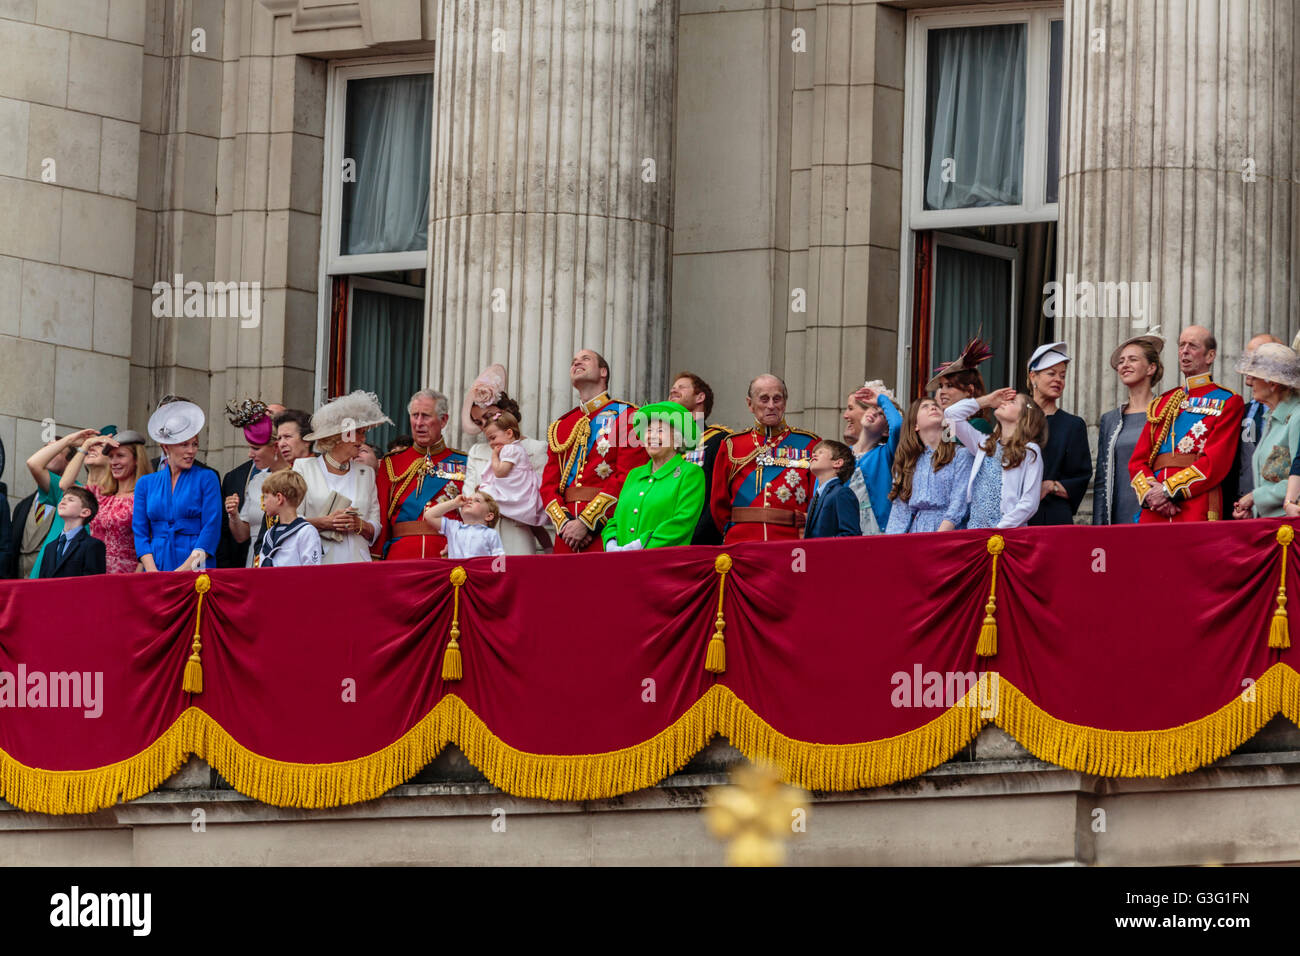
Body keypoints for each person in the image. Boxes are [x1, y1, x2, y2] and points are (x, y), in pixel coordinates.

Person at [1130, 325, 1245, 522]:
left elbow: (1215, 463)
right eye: (1181, 345)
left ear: (1210, 356)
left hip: (1194, 503)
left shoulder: (1228, 401)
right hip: (1155, 507)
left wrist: (1168, 490)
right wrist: (1152, 494)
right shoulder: (1162, 403)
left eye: (1192, 346)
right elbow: (1137, 461)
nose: (1184, 351)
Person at [543, 349, 647, 554]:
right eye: (573, 361)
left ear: (603, 372)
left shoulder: (628, 415)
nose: (577, 362)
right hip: (566, 535)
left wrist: (587, 522)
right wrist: (565, 525)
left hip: (606, 529)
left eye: (585, 359)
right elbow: (548, 484)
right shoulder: (562, 425)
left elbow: (628, 477)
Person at [710, 374, 819, 543]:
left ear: (785, 402)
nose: (771, 406)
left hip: (790, 540)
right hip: (742, 540)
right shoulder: (732, 445)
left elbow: (815, 498)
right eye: (764, 399)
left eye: (777, 399)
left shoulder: (809, 444)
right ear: (750, 404)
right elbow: (719, 504)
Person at [460, 365, 551, 553]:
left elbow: (543, 499)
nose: (485, 426)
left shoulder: (535, 448)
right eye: (479, 422)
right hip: (481, 536)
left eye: (488, 417)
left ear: (504, 411)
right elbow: (467, 499)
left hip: (518, 533)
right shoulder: (477, 451)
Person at [295, 390, 389, 564]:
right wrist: (325, 522)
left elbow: (375, 527)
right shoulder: (304, 469)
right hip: (318, 564)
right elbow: (292, 521)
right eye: (358, 432)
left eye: (363, 432)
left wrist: (359, 524)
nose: (363, 438)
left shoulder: (366, 473)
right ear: (337, 437)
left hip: (358, 566)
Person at [373, 390, 467, 560]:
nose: (418, 423)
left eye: (426, 416)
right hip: (401, 556)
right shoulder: (392, 463)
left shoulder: (464, 462)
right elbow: (381, 517)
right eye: (415, 415)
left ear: (443, 420)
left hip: (448, 553)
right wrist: (376, 556)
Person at [602, 402, 706, 551]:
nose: (652, 436)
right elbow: (615, 520)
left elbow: (682, 523)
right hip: (621, 564)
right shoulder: (635, 474)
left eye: (661, 431)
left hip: (660, 565)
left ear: (677, 439)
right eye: (649, 430)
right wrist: (610, 543)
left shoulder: (690, 474)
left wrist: (639, 545)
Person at [133, 401, 222, 571]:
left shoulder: (207, 478)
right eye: (184, 444)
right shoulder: (145, 484)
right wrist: (152, 572)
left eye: (194, 444)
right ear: (166, 447)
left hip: (194, 565)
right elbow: (140, 533)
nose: (192, 451)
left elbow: (211, 529)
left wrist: (182, 572)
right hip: (156, 564)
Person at [947, 388, 1046, 530]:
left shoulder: (1030, 450)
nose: (1004, 402)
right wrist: (987, 400)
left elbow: (1029, 503)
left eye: (1012, 401)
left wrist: (999, 528)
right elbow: (950, 415)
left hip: (1007, 533)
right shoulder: (984, 444)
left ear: (1025, 417)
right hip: (976, 531)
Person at [1093, 335, 1163, 525]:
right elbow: (1101, 480)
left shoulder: (1166, 413)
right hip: (1116, 517)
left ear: (1151, 367)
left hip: (1156, 513)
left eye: (1133, 359)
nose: (1125, 365)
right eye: (1121, 361)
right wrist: (1099, 527)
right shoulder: (1110, 419)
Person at [60, 429, 151, 573]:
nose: (114, 462)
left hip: (126, 575)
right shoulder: (101, 494)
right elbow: (65, 484)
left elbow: (149, 540)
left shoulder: (145, 496)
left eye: (120, 456)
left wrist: (137, 578)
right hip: (93, 570)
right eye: (111, 457)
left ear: (136, 460)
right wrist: (86, 446)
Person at [1025, 342, 1092, 526]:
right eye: (1051, 373)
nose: (1058, 380)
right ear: (1033, 377)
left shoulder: (1073, 425)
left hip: (1052, 516)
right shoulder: (1015, 420)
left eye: (1062, 375)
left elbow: (1081, 477)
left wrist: (1051, 486)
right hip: (1013, 516)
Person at [1231, 343, 1300, 519]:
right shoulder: (1271, 417)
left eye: (1256, 377)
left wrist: (1255, 497)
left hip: (1289, 526)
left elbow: (1297, 477)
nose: (1250, 381)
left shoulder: (1296, 418)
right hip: (1269, 522)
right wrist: (1253, 511)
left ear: (1273, 384)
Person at [886, 397, 973, 533]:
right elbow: (899, 514)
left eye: (936, 406)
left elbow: (959, 503)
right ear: (915, 425)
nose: (933, 407)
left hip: (950, 533)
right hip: (918, 533)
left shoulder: (961, 454)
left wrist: (937, 538)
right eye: (925, 406)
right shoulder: (908, 462)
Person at [23, 428, 99, 578]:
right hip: (47, 575)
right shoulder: (70, 492)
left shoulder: (117, 501)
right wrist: (70, 440)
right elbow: (33, 463)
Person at [221, 399, 288, 568]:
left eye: (256, 448)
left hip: (288, 564)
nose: (250, 454)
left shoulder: (299, 478)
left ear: (275, 447)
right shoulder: (256, 482)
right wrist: (234, 514)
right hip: (255, 564)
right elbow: (242, 536)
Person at [668, 372, 731, 545]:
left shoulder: (719, 440)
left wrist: (697, 537)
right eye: (672, 388)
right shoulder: (666, 446)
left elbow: (716, 496)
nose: (674, 390)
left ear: (700, 397)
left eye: (682, 387)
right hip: (664, 539)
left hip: (699, 540)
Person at [476, 412, 548, 554]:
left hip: (515, 487)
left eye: (493, 438)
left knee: (490, 496)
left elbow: (500, 472)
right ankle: (548, 546)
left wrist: (494, 457)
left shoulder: (510, 449)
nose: (491, 444)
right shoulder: (514, 447)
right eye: (489, 440)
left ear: (509, 433)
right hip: (513, 484)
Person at [844, 381, 902, 533]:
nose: (874, 413)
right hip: (845, 529)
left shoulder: (885, 453)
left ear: (885, 432)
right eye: (872, 409)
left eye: (881, 413)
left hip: (875, 529)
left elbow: (897, 426)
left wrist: (881, 399)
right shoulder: (841, 455)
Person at [1233, 333, 1283, 506]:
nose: (1248, 366)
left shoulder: (1293, 415)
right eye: (1247, 358)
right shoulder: (1239, 409)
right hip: (1243, 509)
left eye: (1257, 360)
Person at [252, 470, 322, 568]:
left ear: (279, 498)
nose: (263, 503)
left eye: (266, 497)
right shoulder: (269, 534)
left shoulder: (306, 532)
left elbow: (311, 571)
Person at [927, 338, 996, 434]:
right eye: (941, 386)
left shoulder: (978, 425)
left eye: (950, 385)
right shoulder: (948, 425)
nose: (942, 391)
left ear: (969, 390)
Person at [36, 488, 106, 578]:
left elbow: (93, 584)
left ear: (85, 512)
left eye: (70, 500)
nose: (63, 502)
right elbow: (42, 582)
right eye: (63, 499)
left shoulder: (93, 545)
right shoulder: (50, 547)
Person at [804, 440, 861, 538]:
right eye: (814, 453)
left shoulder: (842, 493)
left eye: (820, 452)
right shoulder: (815, 499)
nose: (813, 455)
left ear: (838, 463)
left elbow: (850, 535)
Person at [424, 492, 505, 560]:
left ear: (489, 516)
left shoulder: (491, 534)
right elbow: (429, 515)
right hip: (455, 576)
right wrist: (454, 503)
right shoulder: (453, 527)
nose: (469, 502)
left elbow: (499, 560)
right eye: (468, 500)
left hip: (479, 576)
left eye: (477, 501)